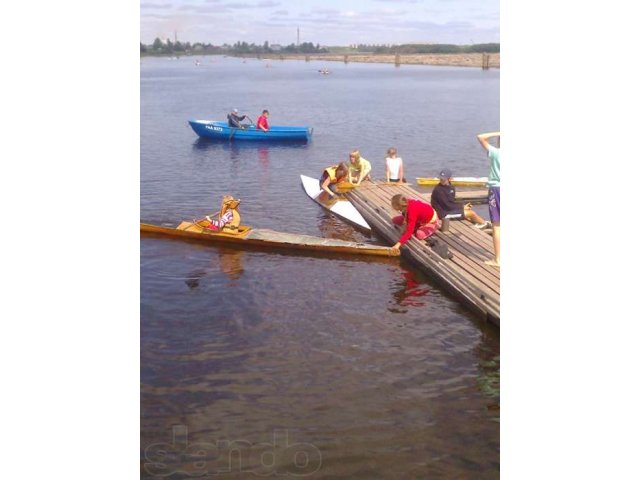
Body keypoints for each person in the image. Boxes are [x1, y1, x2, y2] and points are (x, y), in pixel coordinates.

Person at [477, 131, 500, 267]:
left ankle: (498, 260)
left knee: (497, 226)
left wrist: (499, 132)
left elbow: (480, 137)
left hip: (497, 189)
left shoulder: (496, 153)